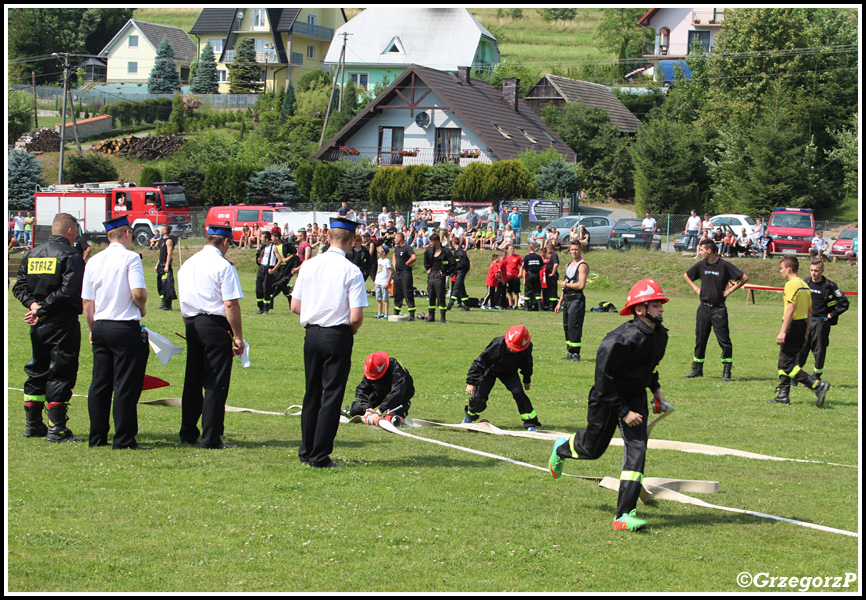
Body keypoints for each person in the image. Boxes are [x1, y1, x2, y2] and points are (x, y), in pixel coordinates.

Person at [548, 279, 670, 532]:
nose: (661, 308)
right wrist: (623, 412)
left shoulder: (660, 335)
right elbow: (603, 382)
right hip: (607, 397)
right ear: (640, 309)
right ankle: (562, 448)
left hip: (636, 397)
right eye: (656, 304)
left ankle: (623, 515)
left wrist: (656, 391)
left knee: (637, 451)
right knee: (592, 450)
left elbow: (650, 367)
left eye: (660, 303)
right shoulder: (617, 340)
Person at [291, 217, 368, 468]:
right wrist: (352, 330)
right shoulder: (351, 270)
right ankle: (320, 455)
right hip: (337, 334)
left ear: (327, 238)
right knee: (332, 396)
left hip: (312, 334)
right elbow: (356, 316)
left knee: (312, 393)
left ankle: (306, 450)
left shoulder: (309, 265)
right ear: (352, 240)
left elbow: (295, 306)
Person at [13, 213, 86, 442]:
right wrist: (41, 308)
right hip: (61, 321)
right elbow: (68, 291)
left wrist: (34, 306)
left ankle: (33, 425)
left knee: (37, 370)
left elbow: (19, 287)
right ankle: (57, 429)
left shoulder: (31, 253)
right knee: (61, 371)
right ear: (71, 231)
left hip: (38, 324)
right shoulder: (71, 255)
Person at [81, 216, 150, 449]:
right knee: (126, 385)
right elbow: (138, 291)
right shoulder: (131, 258)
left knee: (100, 384)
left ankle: (97, 436)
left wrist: (92, 329)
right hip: (124, 325)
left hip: (100, 325)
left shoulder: (93, 261)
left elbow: (87, 303)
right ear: (128, 234)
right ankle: (124, 438)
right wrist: (141, 307)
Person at [176, 226, 245, 448]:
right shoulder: (223, 266)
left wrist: (189, 324)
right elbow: (230, 304)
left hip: (193, 323)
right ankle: (211, 437)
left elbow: (183, 300)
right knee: (216, 382)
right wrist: (238, 336)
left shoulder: (188, 263)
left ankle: (188, 431)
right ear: (225, 242)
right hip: (215, 325)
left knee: (193, 381)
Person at [683, 238, 749, 381]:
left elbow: (744, 278)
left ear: (709, 250)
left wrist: (729, 291)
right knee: (700, 339)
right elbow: (686, 276)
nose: (699, 252)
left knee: (724, 340)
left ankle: (727, 370)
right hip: (703, 308)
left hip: (719, 309)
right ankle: (697, 369)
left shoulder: (724, 266)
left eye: (701, 250)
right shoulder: (700, 265)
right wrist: (696, 288)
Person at [769, 257, 831, 407]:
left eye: (782, 268)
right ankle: (783, 394)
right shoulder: (805, 285)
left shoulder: (791, 284)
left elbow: (790, 308)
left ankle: (816, 385)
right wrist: (805, 332)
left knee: (786, 364)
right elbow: (810, 311)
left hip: (792, 325)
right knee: (784, 361)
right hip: (802, 325)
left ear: (789, 269)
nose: (780, 271)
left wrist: (783, 331)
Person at [463, 325, 540, 431]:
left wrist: (527, 380)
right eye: (511, 348)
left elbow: (527, 364)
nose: (513, 351)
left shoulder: (526, 347)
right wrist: (471, 382)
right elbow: (480, 362)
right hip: (490, 371)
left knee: (518, 392)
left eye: (516, 349)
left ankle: (530, 422)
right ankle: (470, 417)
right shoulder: (498, 344)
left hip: (509, 372)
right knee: (480, 396)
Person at [795, 260, 849, 382]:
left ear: (822, 271)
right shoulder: (805, 283)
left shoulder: (830, 286)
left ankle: (816, 375)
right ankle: (796, 376)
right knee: (801, 349)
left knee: (819, 351)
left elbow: (844, 303)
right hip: (805, 322)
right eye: (811, 270)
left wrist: (833, 314)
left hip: (820, 323)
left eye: (816, 271)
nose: (813, 273)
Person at [349, 352, 414, 424]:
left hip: (401, 394)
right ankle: (350, 411)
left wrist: (380, 410)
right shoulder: (371, 370)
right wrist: (368, 408)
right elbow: (361, 390)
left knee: (393, 420)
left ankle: (404, 406)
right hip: (380, 390)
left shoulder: (397, 369)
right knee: (357, 410)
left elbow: (398, 392)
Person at [554, 239, 589, 362]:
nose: (574, 252)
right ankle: (570, 351)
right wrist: (559, 302)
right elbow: (565, 284)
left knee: (574, 327)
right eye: (572, 249)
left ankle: (576, 354)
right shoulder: (569, 265)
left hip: (577, 300)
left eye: (576, 249)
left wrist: (566, 285)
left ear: (581, 250)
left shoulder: (582, 265)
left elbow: (581, 285)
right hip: (568, 300)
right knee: (567, 327)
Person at [423, 232, 453, 323]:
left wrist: (446, 272)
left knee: (440, 296)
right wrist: (428, 269)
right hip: (431, 275)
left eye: (432, 242)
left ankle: (442, 317)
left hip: (440, 277)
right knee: (431, 295)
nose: (431, 243)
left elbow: (452, 264)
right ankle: (431, 316)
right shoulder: (429, 251)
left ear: (437, 241)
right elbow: (425, 261)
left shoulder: (446, 252)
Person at [255, 231, 283, 315]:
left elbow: (280, 260)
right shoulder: (263, 247)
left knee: (266, 289)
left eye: (262, 237)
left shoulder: (273, 247)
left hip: (268, 269)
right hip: (261, 268)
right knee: (258, 289)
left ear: (267, 239)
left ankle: (266, 308)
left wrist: (273, 269)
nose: (261, 239)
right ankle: (260, 308)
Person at [392, 231, 417, 321]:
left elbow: (414, 257)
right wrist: (394, 266)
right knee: (397, 292)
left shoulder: (407, 247)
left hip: (405, 273)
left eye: (395, 238)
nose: (394, 239)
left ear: (400, 238)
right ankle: (396, 310)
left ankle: (411, 314)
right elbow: (394, 255)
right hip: (397, 273)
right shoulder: (397, 248)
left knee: (407, 292)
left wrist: (407, 263)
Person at [155, 224, 177, 311]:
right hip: (161, 264)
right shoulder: (162, 240)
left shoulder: (169, 241)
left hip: (165, 265)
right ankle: (163, 303)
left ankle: (168, 306)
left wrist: (167, 265)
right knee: (161, 284)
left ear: (165, 231)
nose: (159, 231)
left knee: (167, 285)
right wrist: (157, 264)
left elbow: (169, 254)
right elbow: (161, 255)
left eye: (161, 229)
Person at [447, 235, 470, 311]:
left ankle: (450, 304)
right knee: (461, 288)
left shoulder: (461, 252)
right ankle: (467, 304)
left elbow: (463, 264)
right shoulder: (456, 251)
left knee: (456, 287)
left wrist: (457, 269)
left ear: (453, 243)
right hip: (458, 272)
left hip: (461, 272)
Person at [521, 243, 544, 312]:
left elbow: (524, 268)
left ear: (528, 251)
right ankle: (539, 307)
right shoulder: (539, 257)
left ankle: (526, 307)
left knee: (528, 290)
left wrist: (524, 279)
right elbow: (542, 267)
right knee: (537, 291)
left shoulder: (526, 257)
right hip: (537, 275)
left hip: (529, 275)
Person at [373, 245, 393, 319]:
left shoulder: (387, 261)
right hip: (378, 281)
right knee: (378, 298)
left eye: (380, 252)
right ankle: (379, 313)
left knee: (385, 298)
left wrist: (387, 282)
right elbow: (378, 271)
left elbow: (390, 272)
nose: (378, 253)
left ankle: (386, 313)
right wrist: (375, 279)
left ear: (384, 252)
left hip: (384, 282)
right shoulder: (379, 260)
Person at [542, 242, 560, 310]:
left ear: (551, 249)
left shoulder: (554, 255)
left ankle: (552, 305)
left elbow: (555, 264)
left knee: (552, 291)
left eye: (547, 249)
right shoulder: (552, 255)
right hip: (550, 276)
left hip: (552, 276)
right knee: (549, 290)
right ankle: (549, 304)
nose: (547, 251)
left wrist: (552, 273)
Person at [504, 244, 522, 309]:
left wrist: (520, 273)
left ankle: (516, 305)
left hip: (516, 276)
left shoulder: (518, 256)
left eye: (513, 248)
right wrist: (506, 273)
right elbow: (503, 266)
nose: (512, 250)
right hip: (509, 277)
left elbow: (521, 265)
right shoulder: (507, 257)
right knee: (509, 291)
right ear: (508, 250)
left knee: (516, 291)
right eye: (510, 248)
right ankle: (510, 304)